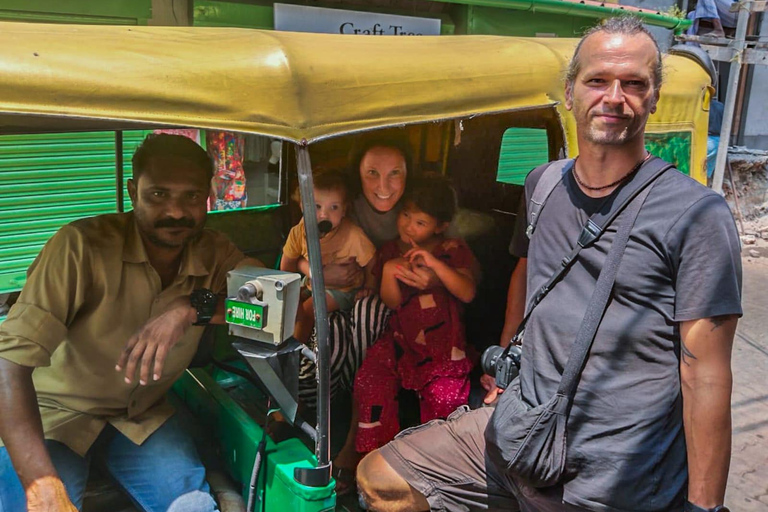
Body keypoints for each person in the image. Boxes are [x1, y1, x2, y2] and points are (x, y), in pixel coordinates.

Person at [357, 16, 742, 512]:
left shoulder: (696, 215)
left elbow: (706, 375)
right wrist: (505, 362)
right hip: (524, 428)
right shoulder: (543, 186)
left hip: (614, 467)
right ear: (570, 92)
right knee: (382, 478)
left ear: (654, 97)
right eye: (597, 80)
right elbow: (527, 272)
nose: (614, 96)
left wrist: (704, 508)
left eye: (634, 84)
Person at [0, 134, 257, 512]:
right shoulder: (80, 247)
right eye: (158, 195)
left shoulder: (216, 252)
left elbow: (270, 305)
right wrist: (41, 484)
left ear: (209, 195)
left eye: (191, 196)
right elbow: (9, 366)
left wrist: (191, 308)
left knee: (196, 507)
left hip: (144, 416)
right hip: (55, 415)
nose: (176, 212)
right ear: (133, 191)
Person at [354, 175, 477, 453]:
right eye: (405, 215)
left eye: (420, 223)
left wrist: (433, 264)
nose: (408, 226)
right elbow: (392, 302)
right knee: (369, 380)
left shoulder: (452, 250)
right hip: (399, 340)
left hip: (444, 346)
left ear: (440, 226)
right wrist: (388, 272)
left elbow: (467, 292)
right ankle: (376, 457)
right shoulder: (390, 251)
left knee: (446, 399)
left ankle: (432, 461)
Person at [280, 167, 376, 344]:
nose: (324, 214)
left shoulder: (353, 235)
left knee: (308, 311)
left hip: (342, 290)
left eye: (334, 207)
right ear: (302, 206)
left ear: (344, 210)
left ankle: (293, 356)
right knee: (287, 307)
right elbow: (286, 265)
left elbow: (372, 261)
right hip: (310, 284)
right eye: (316, 206)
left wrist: (369, 285)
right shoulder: (298, 231)